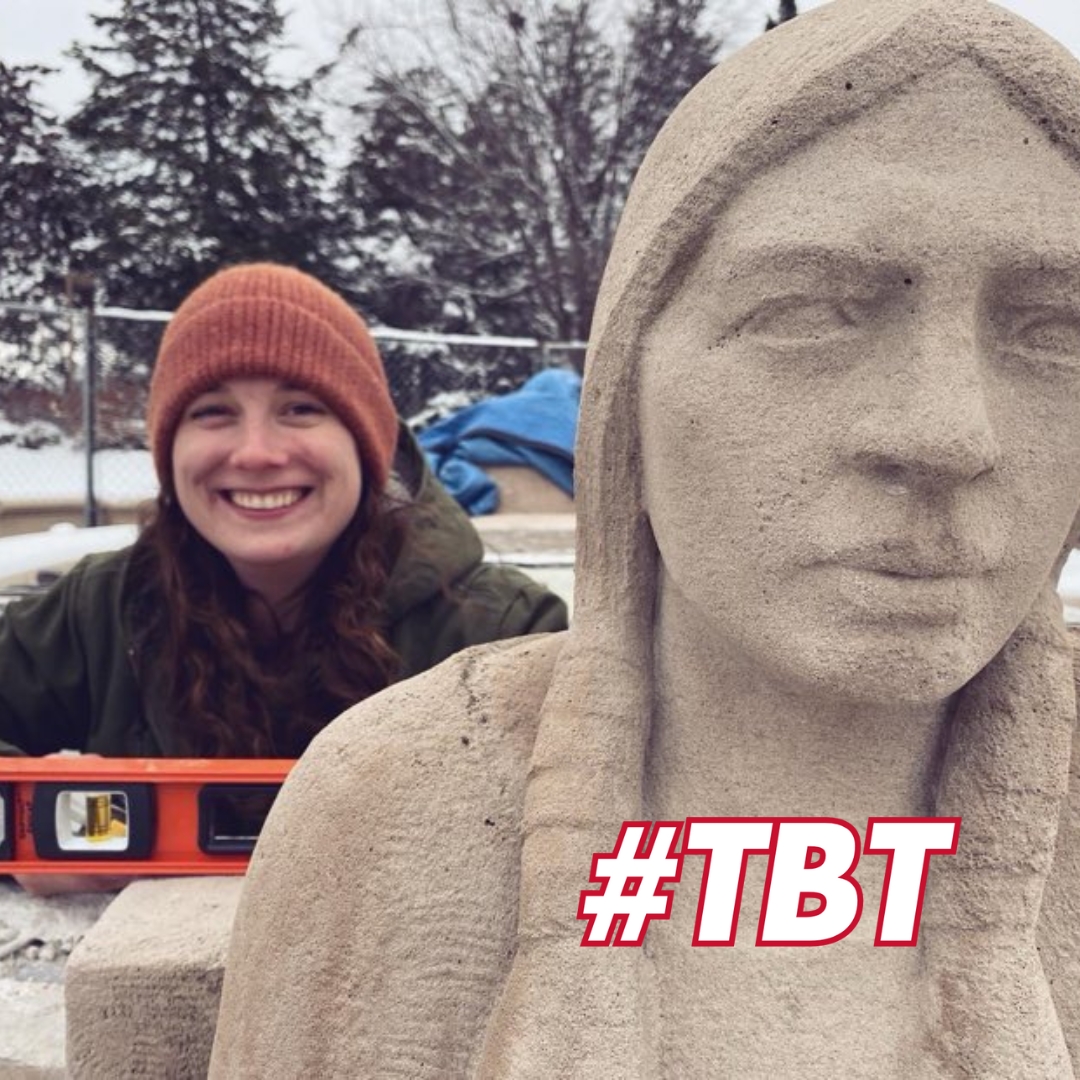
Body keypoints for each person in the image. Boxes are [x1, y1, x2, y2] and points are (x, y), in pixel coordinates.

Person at [211, 2, 1080, 1077]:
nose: (950, 433)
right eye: (810, 311)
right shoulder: (397, 809)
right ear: (629, 390)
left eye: (1054, 332)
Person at [0, 263, 567, 891]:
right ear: (168, 450)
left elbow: (607, 830)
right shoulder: (97, 610)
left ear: (366, 444)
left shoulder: (505, 631)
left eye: (300, 408)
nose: (257, 453)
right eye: (214, 412)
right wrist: (34, 825)